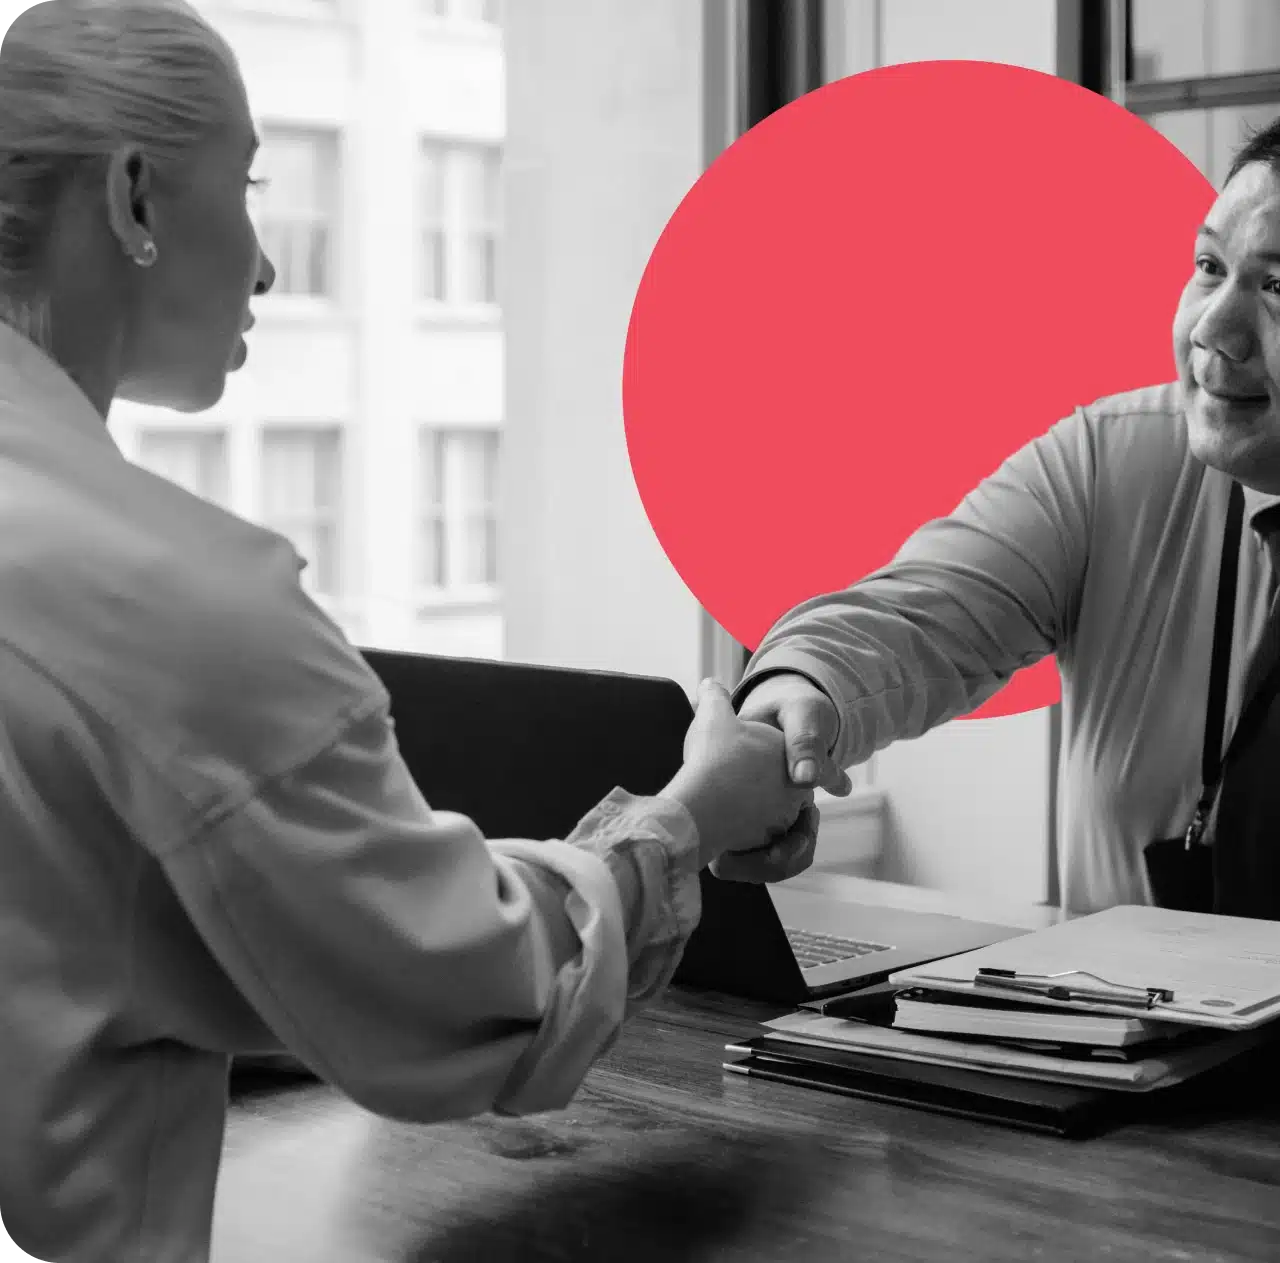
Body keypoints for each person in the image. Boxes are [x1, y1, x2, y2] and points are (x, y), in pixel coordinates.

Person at [0, 4, 814, 1261]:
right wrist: (698, 812)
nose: (267, 269)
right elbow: (470, 1000)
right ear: (134, 196)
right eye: (250, 187)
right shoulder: (170, 600)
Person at [733, 92, 1280, 1057]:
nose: (1213, 328)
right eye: (1208, 268)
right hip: (1112, 1088)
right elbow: (911, 618)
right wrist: (799, 703)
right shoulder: (1114, 458)